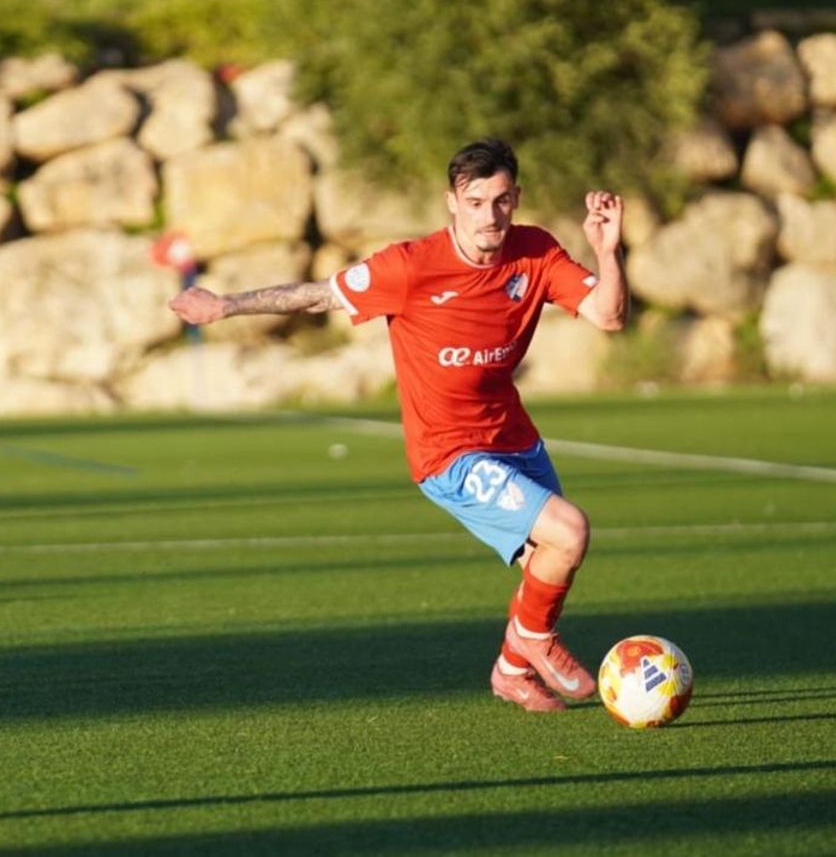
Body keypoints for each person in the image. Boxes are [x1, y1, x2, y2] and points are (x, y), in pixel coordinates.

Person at [168, 139, 627, 712]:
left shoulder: (536, 252)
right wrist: (226, 306)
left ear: (517, 199)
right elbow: (318, 297)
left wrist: (608, 251)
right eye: (477, 200)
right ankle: (534, 640)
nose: (490, 215)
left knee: (551, 557)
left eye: (502, 200)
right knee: (570, 529)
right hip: (449, 454)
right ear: (452, 203)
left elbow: (607, 315)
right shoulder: (410, 266)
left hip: (514, 438)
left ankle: (511, 671)